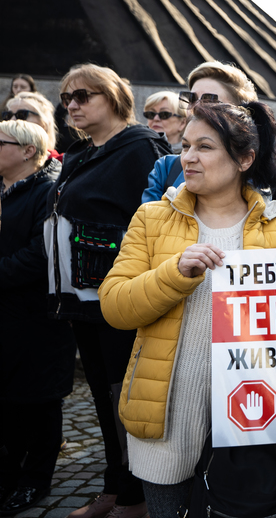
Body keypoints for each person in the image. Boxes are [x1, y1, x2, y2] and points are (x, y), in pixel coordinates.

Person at [98, 101, 276, 517]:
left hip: (247, 419)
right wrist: (174, 272)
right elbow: (115, 306)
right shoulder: (152, 218)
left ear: (245, 158)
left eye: (205, 147)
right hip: (165, 418)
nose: (188, 157)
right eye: (186, 144)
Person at [45, 63, 171, 518]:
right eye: (67, 98)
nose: (73, 105)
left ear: (113, 96)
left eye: (84, 96)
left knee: (125, 397)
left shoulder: (141, 147)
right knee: (102, 395)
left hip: (122, 295)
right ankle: (114, 488)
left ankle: (135, 496)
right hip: (80, 299)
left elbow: (155, 222)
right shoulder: (79, 154)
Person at [0, 120, 75, 515]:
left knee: (38, 403)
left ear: (28, 150)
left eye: (0, 142)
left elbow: (39, 254)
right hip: (5, 318)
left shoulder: (47, 192)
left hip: (35, 319)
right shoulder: (2, 190)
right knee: (7, 404)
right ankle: (8, 476)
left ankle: (35, 481)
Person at [142, 61, 257, 203]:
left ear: (238, 112)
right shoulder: (165, 168)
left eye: (210, 100)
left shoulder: (259, 178)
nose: (196, 108)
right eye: (191, 99)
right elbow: (148, 222)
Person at [4, 91, 62, 161]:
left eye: (22, 115)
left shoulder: (63, 163)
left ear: (43, 124)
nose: (12, 120)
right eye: (8, 115)